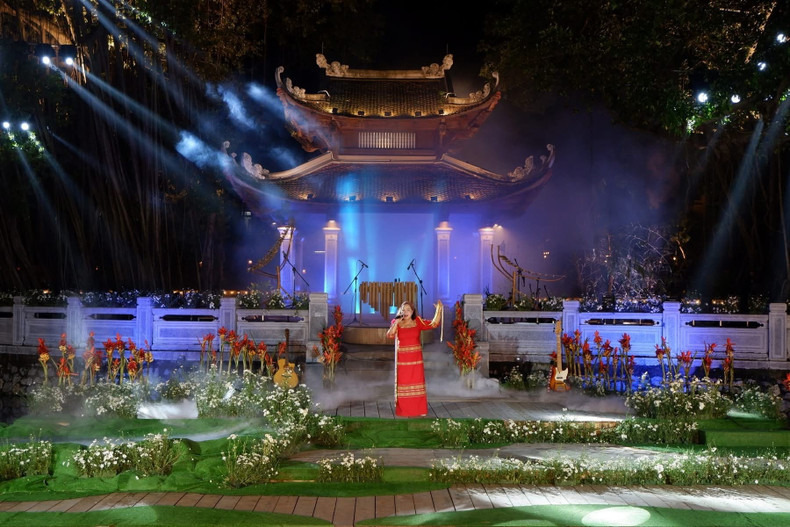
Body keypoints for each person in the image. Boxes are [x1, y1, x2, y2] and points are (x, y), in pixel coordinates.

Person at [386, 299, 443, 417]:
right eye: (403, 310)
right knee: (404, 384)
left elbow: (433, 324)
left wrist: (439, 310)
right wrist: (396, 323)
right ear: (400, 311)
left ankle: (419, 409)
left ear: (412, 311)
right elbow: (390, 335)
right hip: (402, 361)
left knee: (417, 382)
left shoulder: (418, 321)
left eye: (408, 310)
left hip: (416, 360)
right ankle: (404, 410)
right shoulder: (396, 322)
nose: (406, 312)